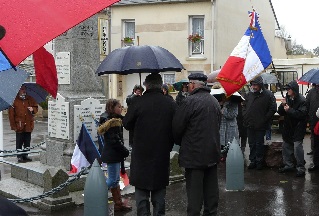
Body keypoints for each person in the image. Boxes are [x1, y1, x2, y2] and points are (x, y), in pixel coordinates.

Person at [123, 73, 176, 215]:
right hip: (161, 151)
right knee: (159, 190)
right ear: (160, 85)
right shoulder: (170, 103)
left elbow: (126, 123)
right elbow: (176, 126)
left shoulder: (138, 102)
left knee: (141, 191)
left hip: (141, 152)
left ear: (146, 85)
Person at [172, 73, 221, 216]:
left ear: (193, 84)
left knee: (194, 196)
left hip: (194, 155)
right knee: (211, 194)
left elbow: (177, 127)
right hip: (212, 153)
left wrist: (181, 142)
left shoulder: (189, 102)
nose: (187, 87)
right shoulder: (214, 101)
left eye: (188, 84)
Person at [97, 99, 132, 212]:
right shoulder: (112, 122)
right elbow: (114, 141)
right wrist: (125, 151)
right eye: (119, 107)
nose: (121, 109)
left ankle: (118, 204)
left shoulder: (115, 119)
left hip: (114, 154)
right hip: (112, 154)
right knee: (112, 180)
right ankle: (95, 196)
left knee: (115, 180)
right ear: (112, 108)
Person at [243, 76, 277, 170]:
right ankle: (253, 161)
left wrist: (264, 118)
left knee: (259, 144)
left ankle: (259, 162)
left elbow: (273, 108)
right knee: (251, 143)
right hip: (249, 123)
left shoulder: (268, 94)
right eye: (253, 85)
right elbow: (244, 105)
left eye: (255, 85)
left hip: (260, 124)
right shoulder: (249, 94)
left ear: (260, 85)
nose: (254, 87)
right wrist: (245, 114)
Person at [277, 80, 307, 177]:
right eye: (287, 89)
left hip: (298, 127)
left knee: (297, 147)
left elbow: (301, 114)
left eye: (289, 89)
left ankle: (300, 168)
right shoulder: (287, 98)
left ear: (294, 89)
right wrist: (282, 106)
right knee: (286, 146)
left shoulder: (302, 100)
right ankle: (288, 165)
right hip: (288, 127)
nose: (287, 90)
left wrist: (289, 110)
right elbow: (281, 112)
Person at [9, 85, 38, 163]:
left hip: (28, 124)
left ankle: (25, 155)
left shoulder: (30, 99)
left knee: (27, 141)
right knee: (19, 142)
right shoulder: (14, 100)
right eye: (22, 89)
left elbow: (36, 107)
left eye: (24, 89)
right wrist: (13, 126)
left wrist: (33, 109)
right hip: (19, 125)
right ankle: (19, 156)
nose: (23, 91)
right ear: (18, 90)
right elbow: (11, 115)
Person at [126, 84, 144, 149]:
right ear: (135, 90)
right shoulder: (130, 96)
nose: (139, 92)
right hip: (132, 116)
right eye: (138, 90)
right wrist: (134, 95)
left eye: (140, 91)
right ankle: (131, 144)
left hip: (139, 117)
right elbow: (128, 101)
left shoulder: (142, 97)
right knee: (131, 131)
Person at [306, 83, 319, 172]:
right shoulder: (311, 92)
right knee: (316, 145)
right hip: (315, 123)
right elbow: (307, 105)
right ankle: (316, 164)